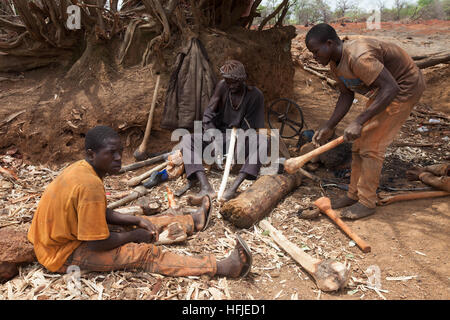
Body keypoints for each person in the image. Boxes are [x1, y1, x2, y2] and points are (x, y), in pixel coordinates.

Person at [27, 126, 251, 278]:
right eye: (111, 153)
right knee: (143, 255)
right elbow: (96, 243)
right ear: (92, 154)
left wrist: (135, 220)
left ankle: (193, 220)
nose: (118, 159)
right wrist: (133, 236)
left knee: (140, 221)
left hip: (65, 237)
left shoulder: (82, 170)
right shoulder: (89, 185)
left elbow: (98, 213)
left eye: (120, 152)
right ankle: (222, 267)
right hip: (61, 254)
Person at [305, 24, 426, 219]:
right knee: (358, 144)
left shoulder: (358, 57)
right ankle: (354, 195)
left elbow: (391, 88)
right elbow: (346, 95)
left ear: (329, 43)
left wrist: (360, 120)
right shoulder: (335, 64)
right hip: (384, 90)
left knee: (371, 146)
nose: (314, 56)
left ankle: (367, 202)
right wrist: (330, 125)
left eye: (316, 51)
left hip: (404, 87)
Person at [181, 60, 266, 201]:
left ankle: (233, 188)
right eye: (227, 82)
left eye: (234, 83)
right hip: (218, 135)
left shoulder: (255, 95)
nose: (230, 86)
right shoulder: (222, 86)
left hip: (241, 138)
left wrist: (233, 153)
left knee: (263, 141)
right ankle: (206, 188)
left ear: (242, 79)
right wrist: (215, 141)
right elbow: (208, 114)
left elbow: (249, 129)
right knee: (187, 139)